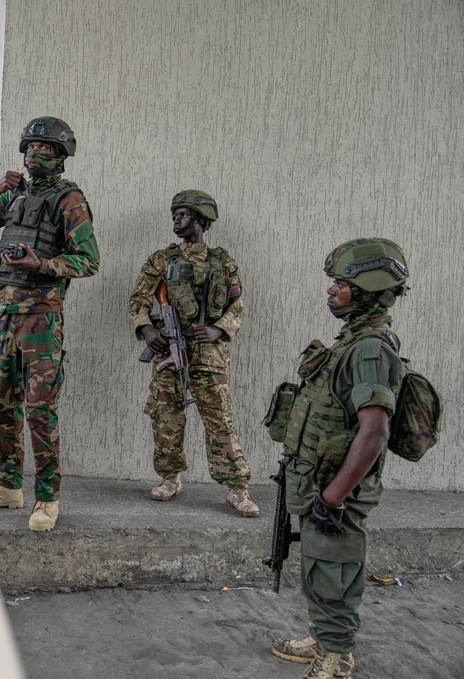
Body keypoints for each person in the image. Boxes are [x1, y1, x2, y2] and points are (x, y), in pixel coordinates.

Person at [271, 238, 410, 679]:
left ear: (366, 292)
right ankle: (324, 637)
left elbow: (375, 431)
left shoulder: (370, 350)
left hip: (337, 489)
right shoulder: (352, 340)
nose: (331, 290)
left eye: (341, 284)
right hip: (322, 481)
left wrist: (332, 498)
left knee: (334, 569)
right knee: (319, 564)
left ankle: (337, 656)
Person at [0, 116, 100, 532]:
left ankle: (47, 498)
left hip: (42, 319)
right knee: (3, 407)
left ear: (61, 156)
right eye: (31, 148)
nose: (36, 155)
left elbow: (88, 260)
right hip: (6, 315)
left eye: (46, 149)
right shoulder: (15, 196)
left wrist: (40, 264)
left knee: (40, 412)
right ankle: (7, 487)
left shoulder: (68, 199)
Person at [128, 190, 259, 517]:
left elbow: (237, 304)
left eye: (184, 215)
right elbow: (138, 299)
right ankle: (170, 478)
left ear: (201, 220)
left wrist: (220, 329)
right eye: (175, 215)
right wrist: (147, 329)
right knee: (166, 418)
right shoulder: (162, 259)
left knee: (220, 422)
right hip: (169, 349)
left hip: (210, 354)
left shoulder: (222, 261)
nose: (177, 219)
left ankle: (237, 488)